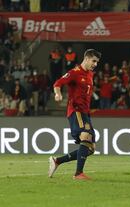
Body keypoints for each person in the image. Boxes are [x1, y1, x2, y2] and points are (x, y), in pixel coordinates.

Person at [48, 49, 101, 180]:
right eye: (94, 61)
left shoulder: (90, 74)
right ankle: (78, 174)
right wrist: (58, 93)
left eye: (97, 62)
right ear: (87, 58)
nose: (95, 64)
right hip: (76, 110)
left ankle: (57, 161)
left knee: (91, 148)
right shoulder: (74, 73)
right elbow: (58, 83)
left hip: (85, 113)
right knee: (86, 136)